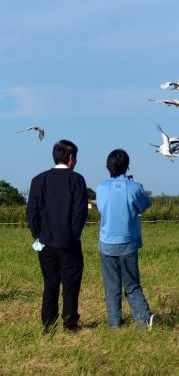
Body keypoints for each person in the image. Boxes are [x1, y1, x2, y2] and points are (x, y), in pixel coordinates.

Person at [26, 140, 88, 332]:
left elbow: (31, 213)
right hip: (69, 242)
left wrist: (38, 235)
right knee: (70, 284)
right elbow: (80, 213)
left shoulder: (38, 180)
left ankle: (48, 323)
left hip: (45, 242)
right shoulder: (77, 180)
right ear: (71, 158)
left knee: (50, 284)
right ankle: (70, 323)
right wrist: (74, 235)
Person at [96, 149, 155, 329]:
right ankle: (144, 319)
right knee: (132, 285)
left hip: (107, 243)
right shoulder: (134, 187)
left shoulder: (101, 187)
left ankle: (114, 323)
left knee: (111, 286)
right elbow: (145, 204)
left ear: (108, 167)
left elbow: (101, 209)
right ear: (127, 166)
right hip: (128, 242)